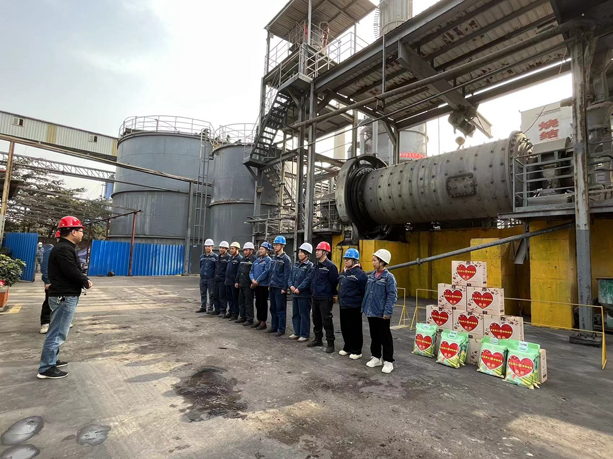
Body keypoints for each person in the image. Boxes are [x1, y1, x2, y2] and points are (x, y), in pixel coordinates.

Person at [37, 216, 92, 379]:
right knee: (57, 332)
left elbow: (72, 268)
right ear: (73, 232)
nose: (82, 234)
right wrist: (85, 281)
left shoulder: (65, 247)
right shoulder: (64, 249)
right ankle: (46, 367)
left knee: (58, 330)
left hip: (64, 294)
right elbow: (71, 270)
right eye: (80, 231)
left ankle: (52, 360)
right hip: (64, 295)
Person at [363, 249, 398, 374]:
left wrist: (387, 312)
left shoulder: (388, 277)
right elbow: (367, 293)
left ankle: (388, 361)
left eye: (375, 260)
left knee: (385, 337)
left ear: (382, 262)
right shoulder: (372, 276)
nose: (373, 263)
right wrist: (364, 308)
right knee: (374, 335)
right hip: (371, 311)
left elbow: (392, 296)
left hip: (382, 313)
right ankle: (376, 357)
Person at [337, 248, 368, 359]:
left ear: (354, 260)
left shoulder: (361, 274)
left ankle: (357, 350)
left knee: (355, 329)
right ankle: (347, 347)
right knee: (345, 327)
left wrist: (362, 305)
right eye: (345, 258)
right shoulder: (344, 272)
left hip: (355, 306)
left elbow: (364, 291)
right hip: (344, 304)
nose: (345, 260)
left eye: (348, 259)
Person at [309, 241, 338, 353]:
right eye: (316, 250)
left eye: (319, 250)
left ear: (325, 252)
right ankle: (318, 339)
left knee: (327, 320)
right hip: (315, 296)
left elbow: (334, 281)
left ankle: (330, 343)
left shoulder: (330, 266)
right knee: (316, 319)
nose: (316, 252)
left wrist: (330, 294)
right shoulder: (315, 265)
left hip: (325, 298)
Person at [289, 243, 314, 342]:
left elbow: (308, 280)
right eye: (299, 252)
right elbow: (290, 276)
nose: (299, 254)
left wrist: (299, 289)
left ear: (306, 254)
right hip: (295, 293)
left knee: (304, 315)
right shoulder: (296, 264)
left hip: (304, 295)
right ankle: (297, 332)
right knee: (295, 314)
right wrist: (291, 285)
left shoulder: (310, 266)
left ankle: (304, 334)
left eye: (301, 252)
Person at [267, 236, 291, 336]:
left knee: (280, 309)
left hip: (280, 287)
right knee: (273, 308)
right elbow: (271, 272)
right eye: (274, 245)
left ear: (282, 246)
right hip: (273, 286)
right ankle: (274, 326)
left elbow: (287, 274)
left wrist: (284, 288)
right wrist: (269, 284)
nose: (275, 246)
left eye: (277, 245)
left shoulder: (286, 259)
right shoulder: (274, 258)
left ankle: (281, 329)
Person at [250, 242, 272, 330]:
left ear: (267, 251)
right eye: (260, 249)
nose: (260, 250)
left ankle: (263, 322)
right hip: (256, 285)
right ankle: (259, 320)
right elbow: (251, 271)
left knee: (263, 303)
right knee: (257, 303)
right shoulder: (257, 260)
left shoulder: (268, 260)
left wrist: (257, 281)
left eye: (262, 249)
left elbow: (266, 272)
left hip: (263, 285)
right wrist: (253, 280)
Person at [39, 235, 58, 334]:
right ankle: (45, 322)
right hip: (52, 281)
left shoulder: (68, 251)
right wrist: (47, 281)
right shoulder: (51, 251)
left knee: (63, 302)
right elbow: (45, 267)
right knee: (49, 301)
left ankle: (61, 321)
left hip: (63, 282)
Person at [235, 242, 256, 325]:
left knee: (248, 302)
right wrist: (237, 281)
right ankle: (243, 317)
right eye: (244, 250)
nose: (245, 252)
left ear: (251, 250)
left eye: (246, 250)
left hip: (248, 285)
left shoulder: (254, 260)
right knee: (241, 301)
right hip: (241, 284)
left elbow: (255, 272)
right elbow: (239, 271)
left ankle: (249, 319)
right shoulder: (242, 259)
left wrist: (253, 283)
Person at [197, 239, 217, 313]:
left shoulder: (215, 257)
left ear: (212, 247)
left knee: (211, 294)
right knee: (203, 293)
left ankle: (210, 308)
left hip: (210, 279)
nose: (207, 248)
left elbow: (216, 268)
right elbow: (201, 266)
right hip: (203, 278)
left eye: (209, 246)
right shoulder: (202, 257)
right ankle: (203, 307)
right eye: (206, 246)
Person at [212, 241, 230, 316]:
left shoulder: (228, 258)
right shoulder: (218, 257)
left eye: (223, 248)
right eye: (220, 248)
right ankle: (217, 310)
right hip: (216, 279)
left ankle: (223, 311)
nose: (221, 249)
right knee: (215, 295)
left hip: (223, 280)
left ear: (226, 249)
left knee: (222, 296)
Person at [225, 242, 242, 320]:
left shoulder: (239, 259)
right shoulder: (230, 258)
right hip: (228, 281)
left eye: (232, 249)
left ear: (237, 249)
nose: (231, 250)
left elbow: (239, 271)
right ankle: (231, 311)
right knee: (229, 298)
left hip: (234, 282)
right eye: (230, 249)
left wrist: (237, 281)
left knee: (235, 298)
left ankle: (235, 313)